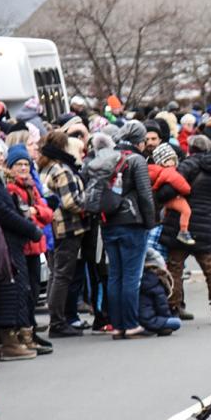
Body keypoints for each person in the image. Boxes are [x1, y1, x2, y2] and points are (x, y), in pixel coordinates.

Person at [0, 139, 42, 362]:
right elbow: (5, 213)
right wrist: (32, 229)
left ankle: (6, 341)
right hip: (3, 243)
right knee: (8, 292)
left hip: (8, 242)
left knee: (14, 291)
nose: (1, 159)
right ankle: (8, 341)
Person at [82, 132, 155, 339]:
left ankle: (117, 325)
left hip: (107, 223)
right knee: (132, 277)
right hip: (132, 223)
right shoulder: (135, 161)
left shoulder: (98, 163)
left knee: (115, 276)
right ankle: (131, 325)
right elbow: (145, 195)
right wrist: (149, 222)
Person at [160, 134, 211, 324]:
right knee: (210, 268)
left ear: (191, 148)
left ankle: (174, 307)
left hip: (183, 223)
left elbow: (171, 189)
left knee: (175, 267)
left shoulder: (188, 165)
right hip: (205, 222)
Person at [37, 131, 87, 338]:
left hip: (50, 228)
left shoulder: (44, 168)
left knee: (55, 274)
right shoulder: (62, 170)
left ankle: (57, 318)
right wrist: (88, 203)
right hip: (66, 228)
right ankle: (58, 321)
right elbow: (69, 202)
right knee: (62, 275)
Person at [5, 145, 53, 355]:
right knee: (25, 292)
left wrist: (35, 211)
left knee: (33, 291)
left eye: (26, 164)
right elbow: (23, 217)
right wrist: (35, 213)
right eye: (19, 164)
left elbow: (47, 213)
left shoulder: (31, 186)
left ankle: (30, 331)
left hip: (36, 246)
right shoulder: (11, 189)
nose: (23, 168)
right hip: (24, 246)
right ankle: (25, 334)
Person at [147, 144, 195, 246]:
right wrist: (187, 191)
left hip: (164, 200)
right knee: (186, 211)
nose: (172, 162)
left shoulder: (160, 171)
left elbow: (157, 184)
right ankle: (183, 231)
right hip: (172, 198)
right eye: (170, 159)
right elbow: (183, 186)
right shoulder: (171, 172)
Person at [137, 249, 181, 336]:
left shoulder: (139, 278)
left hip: (136, 319)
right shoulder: (156, 281)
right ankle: (160, 328)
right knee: (177, 322)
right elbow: (162, 306)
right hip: (149, 320)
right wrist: (165, 319)